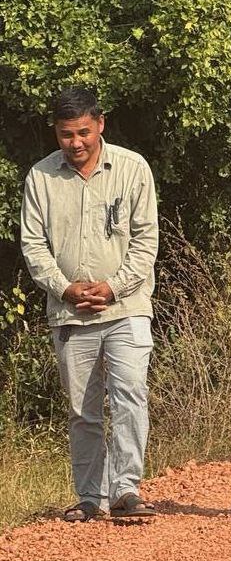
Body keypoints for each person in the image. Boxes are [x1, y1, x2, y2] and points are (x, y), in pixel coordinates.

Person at [20, 87, 159, 522]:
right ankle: (89, 497)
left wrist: (113, 287)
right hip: (69, 313)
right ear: (56, 133)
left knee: (130, 395)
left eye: (83, 132)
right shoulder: (41, 177)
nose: (76, 142)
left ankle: (126, 490)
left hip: (127, 308)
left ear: (100, 124)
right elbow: (33, 245)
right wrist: (64, 289)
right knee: (83, 410)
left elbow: (146, 240)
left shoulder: (132, 168)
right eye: (67, 134)